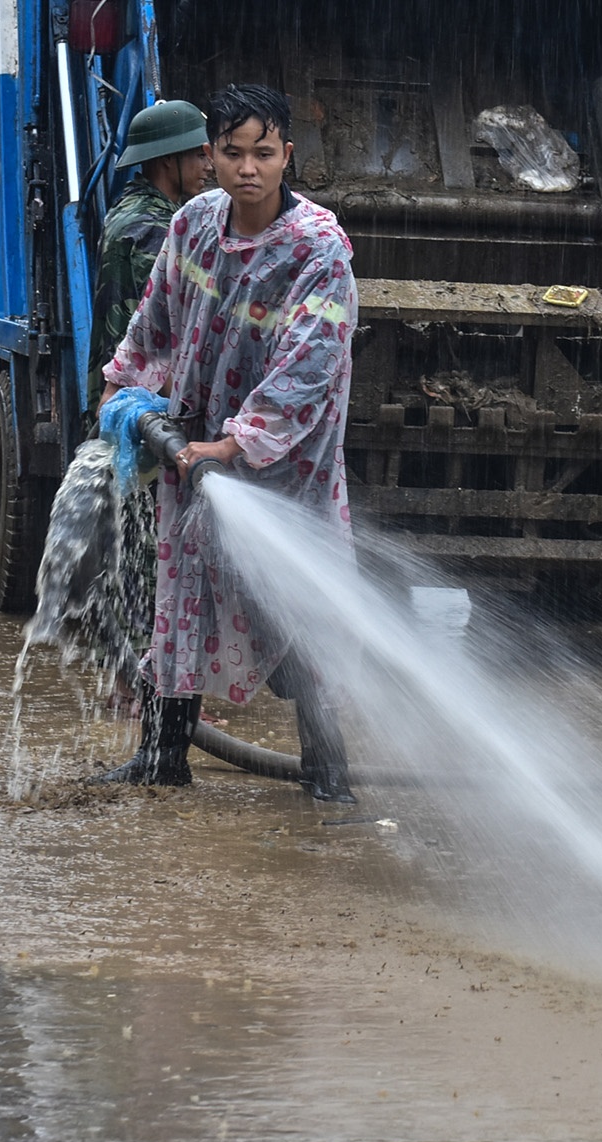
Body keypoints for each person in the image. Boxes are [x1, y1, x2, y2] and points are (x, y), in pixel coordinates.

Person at [94, 83, 361, 800]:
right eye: (232, 152)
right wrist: (121, 383)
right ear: (208, 155)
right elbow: (155, 319)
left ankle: (328, 771)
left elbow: (310, 364)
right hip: (196, 451)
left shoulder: (318, 249)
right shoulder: (192, 227)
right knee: (182, 597)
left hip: (286, 469)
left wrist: (237, 443)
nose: (248, 168)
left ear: (287, 156)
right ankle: (162, 757)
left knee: (292, 605)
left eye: (263, 153)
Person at [87, 98, 214, 417]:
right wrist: (186, 415)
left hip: (124, 397)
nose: (209, 166)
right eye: (200, 155)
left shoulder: (129, 208)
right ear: (169, 158)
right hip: (145, 408)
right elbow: (161, 334)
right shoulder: (155, 228)